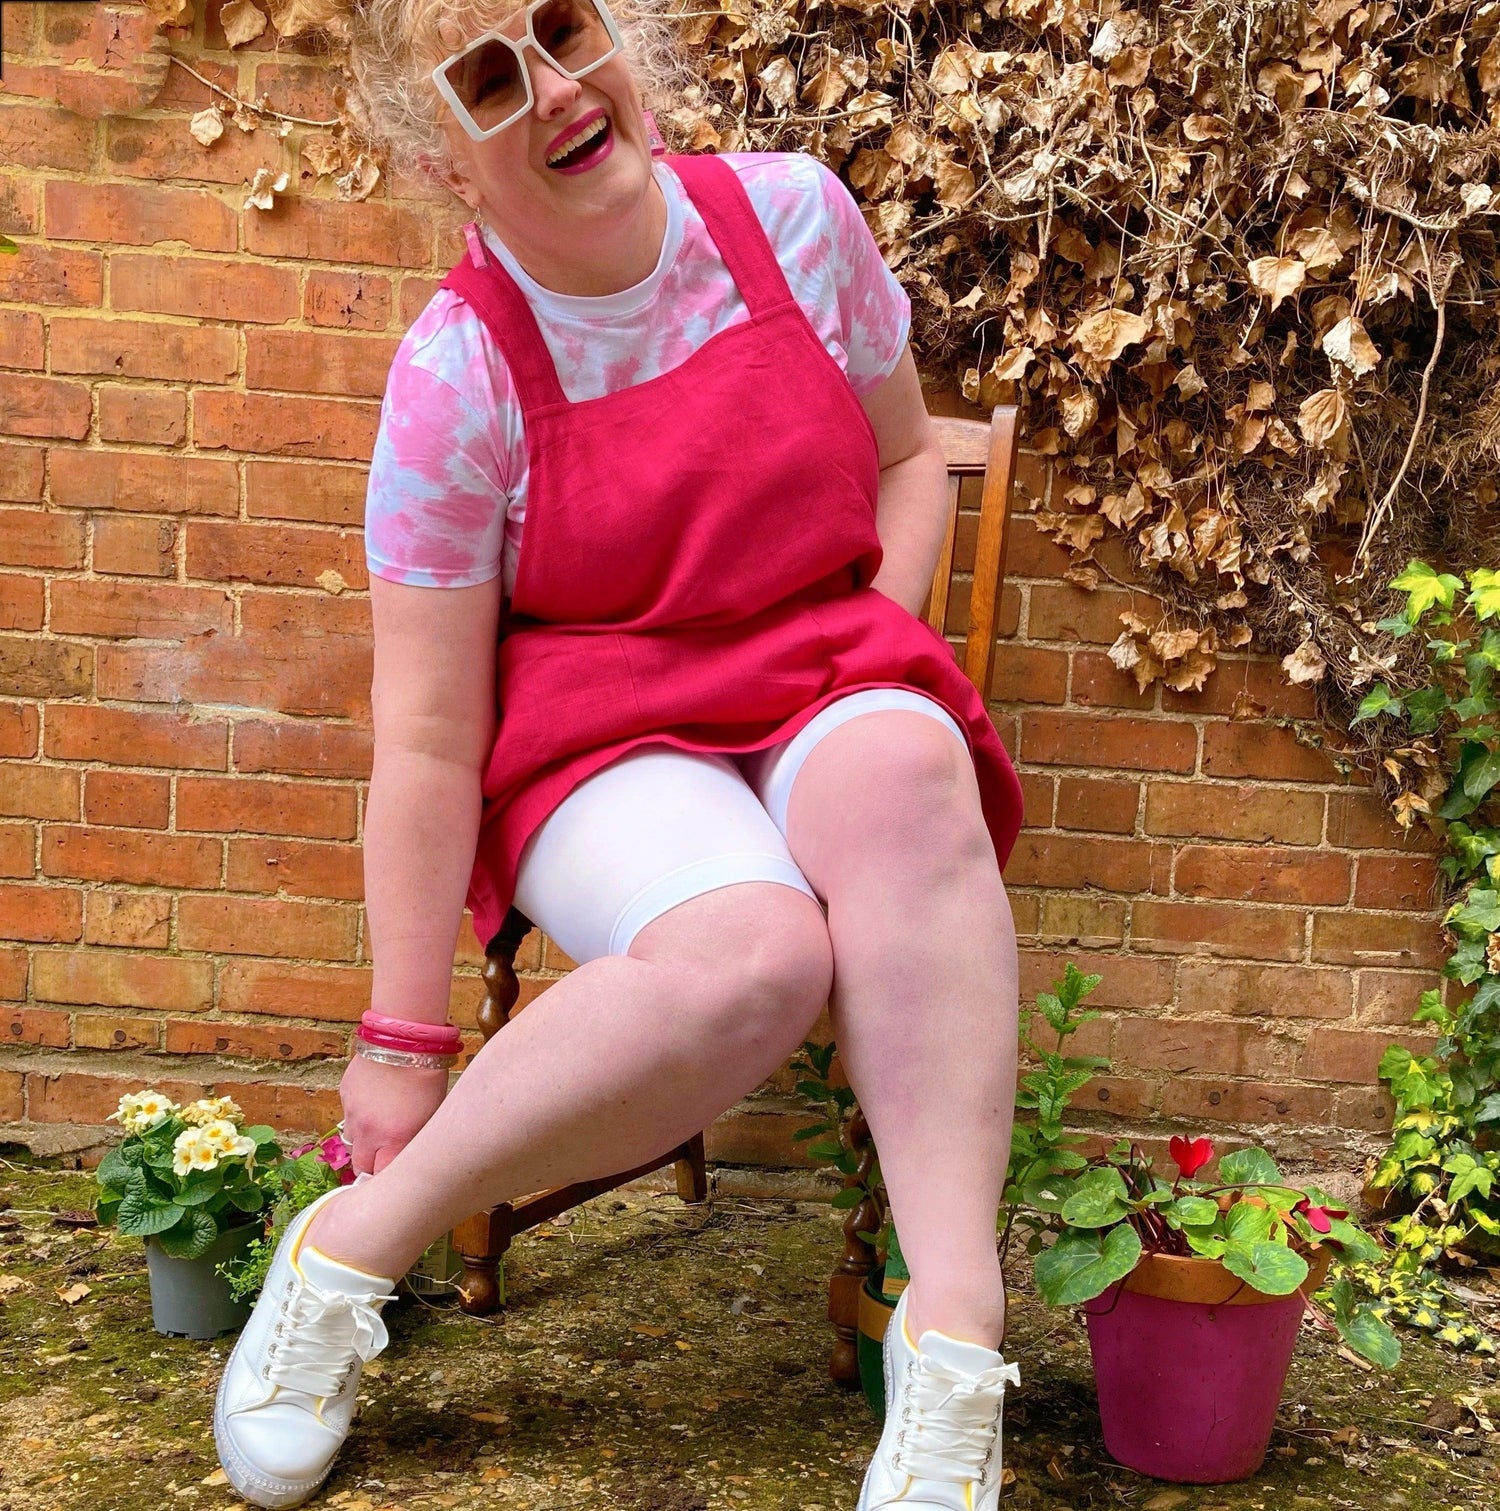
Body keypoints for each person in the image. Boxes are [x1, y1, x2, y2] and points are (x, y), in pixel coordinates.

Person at [212, 1, 1026, 1506]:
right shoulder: (457, 377)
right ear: (444, 161)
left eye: (563, 27)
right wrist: (400, 1039)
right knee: (756, 959)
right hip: (604, 724)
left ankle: (956, 1341)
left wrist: (874, 659)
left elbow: (910, 457)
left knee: (910, 775)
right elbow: (433, 730)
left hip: (816, 659)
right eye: (489, 77)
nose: (556, 89)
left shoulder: (789, 219)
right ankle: (342, 1261)